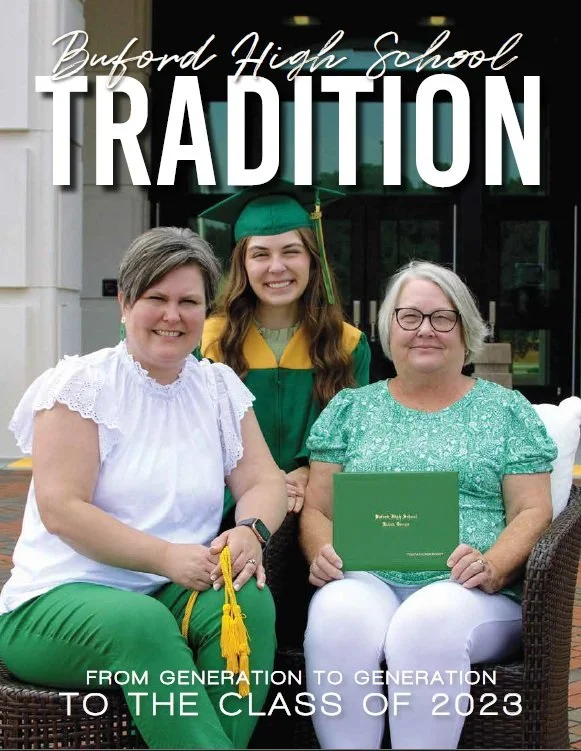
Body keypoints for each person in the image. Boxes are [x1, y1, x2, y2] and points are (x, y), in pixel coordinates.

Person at [0, 227, 288, 750]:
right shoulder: (80, 386)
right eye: (156, 298)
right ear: (125, 302)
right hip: (53, 606)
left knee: (248, 603)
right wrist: (164, 557)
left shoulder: (218, 389)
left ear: (207, 311)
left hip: (171, 590)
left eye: (189, 301)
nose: (173, 316)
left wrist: (250, 530)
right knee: (143, 624)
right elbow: (62, 509)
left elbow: (264, 480)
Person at [299, 260, 557, 750]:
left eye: (443, 318)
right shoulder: (351, 410)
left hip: (469, 589)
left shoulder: (506, 412)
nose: (426, 331)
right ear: (388, 329)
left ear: (467, 330)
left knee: (427, 623)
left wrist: (495, 565)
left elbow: (532, 510)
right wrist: (320, 551)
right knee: (335, 614)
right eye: (409, 317)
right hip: (367, 575)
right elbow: (318, 510)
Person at [197, 179, 371, 517]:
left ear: (311, 258)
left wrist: (308, 473)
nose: (277, 267)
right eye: (260, 254)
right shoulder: (208, 343)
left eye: (291, 251)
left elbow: (355, 440)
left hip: (319, 509)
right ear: (242, 265)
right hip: (227, 511)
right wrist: (262, 487)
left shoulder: (348, 344)